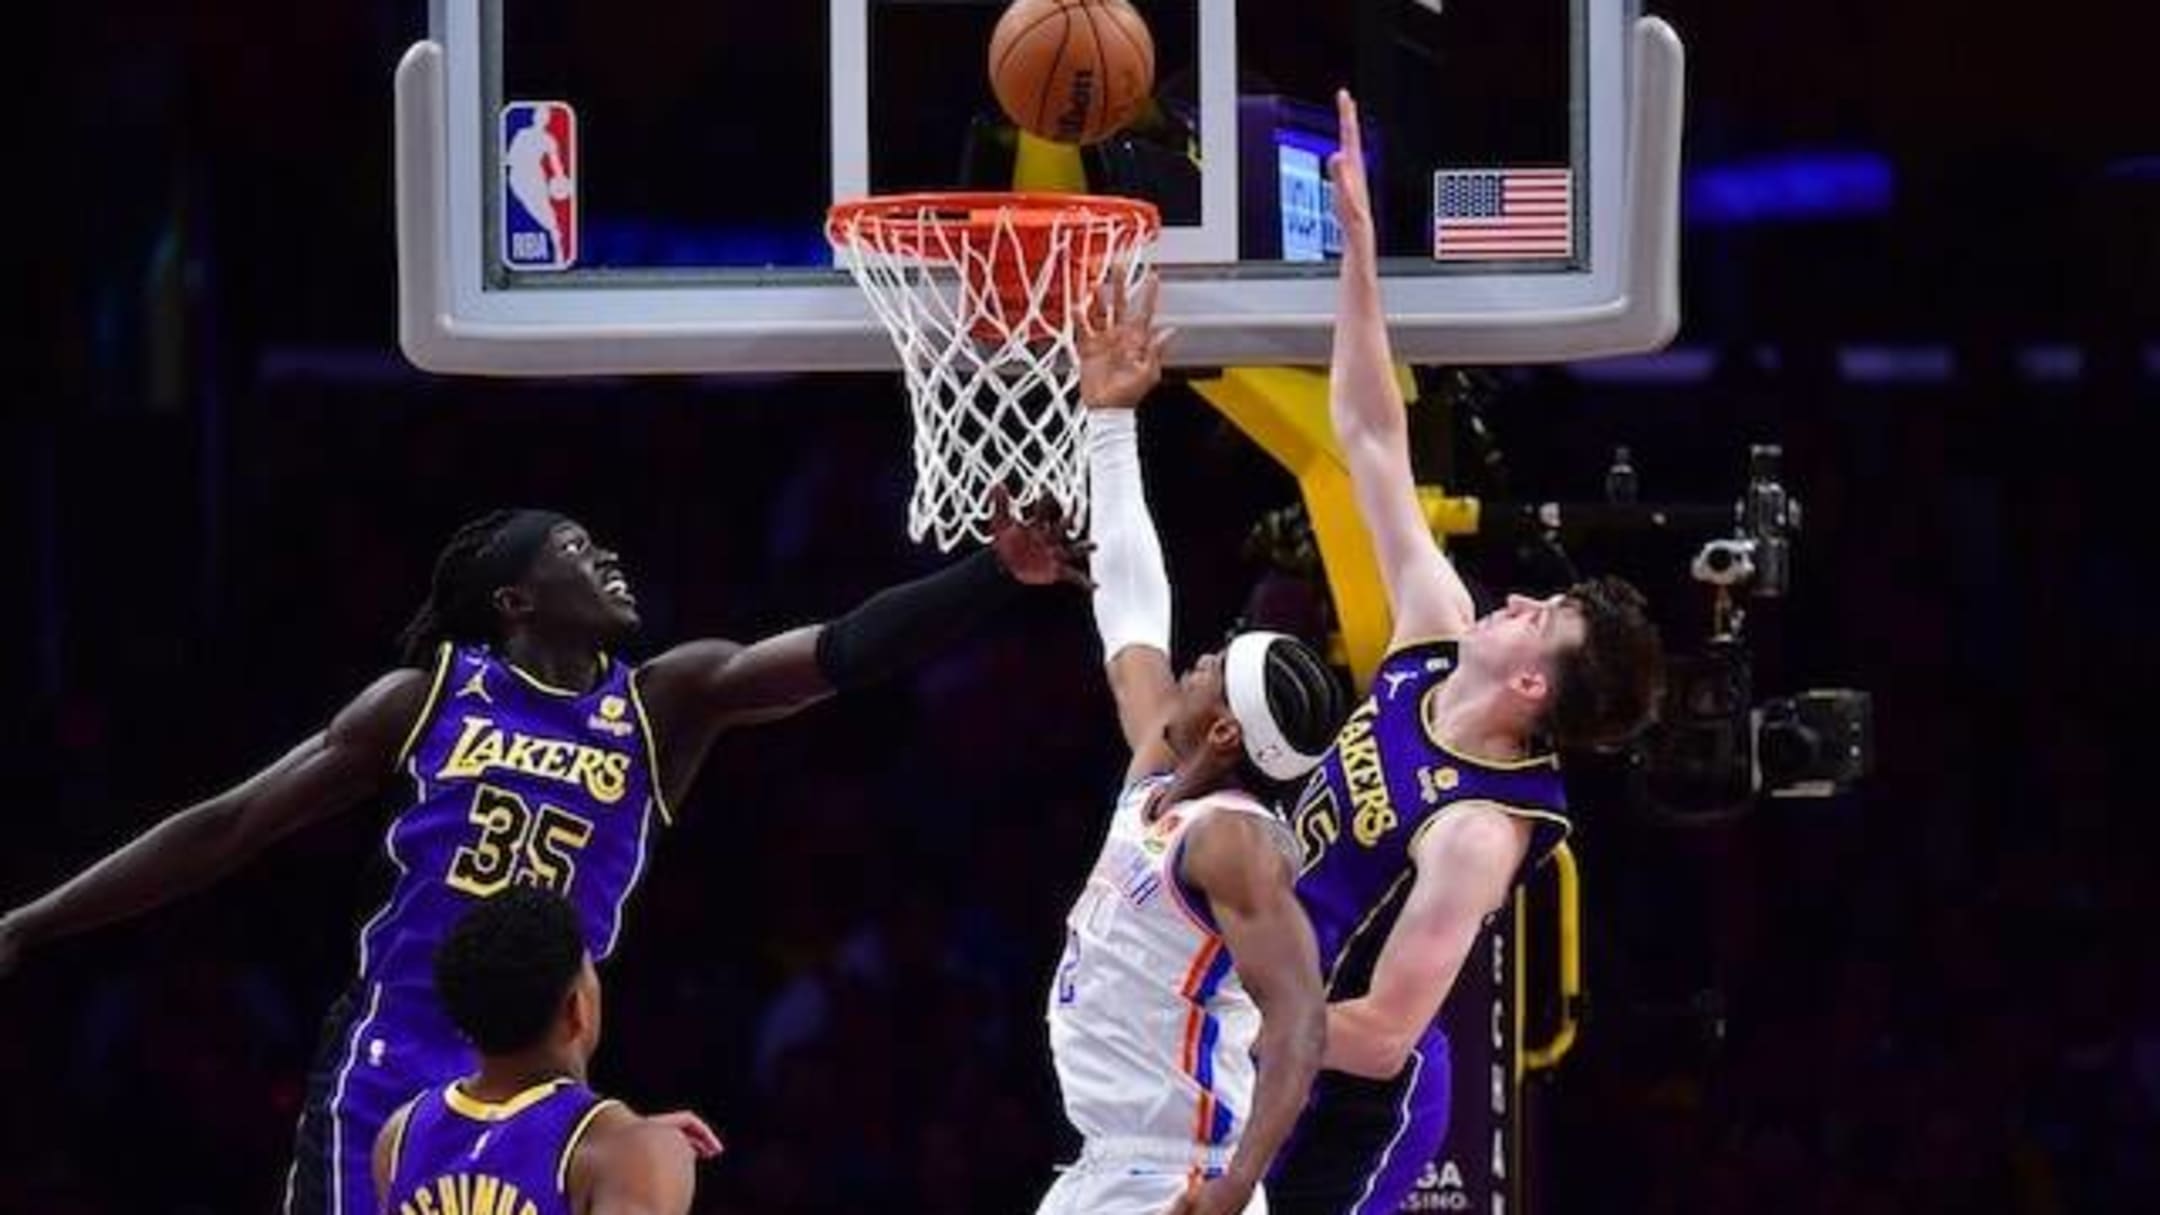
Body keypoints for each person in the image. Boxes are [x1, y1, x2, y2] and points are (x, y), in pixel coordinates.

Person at [0, 504, 1083, 1215]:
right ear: (513, 600)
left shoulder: (665, 702)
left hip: (543, 1075)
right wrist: (28, 923)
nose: (605, 554)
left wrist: (993, 572)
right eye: (572, 549)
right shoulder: (426, 697)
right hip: (394, 1054)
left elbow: (838, 653)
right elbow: (230, 826)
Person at [1263, 92, 1667, 1215]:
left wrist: (1215, 1020)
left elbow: (1388, 1029)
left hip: (1352, 1099)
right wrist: (1357, 251)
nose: (1521, 599)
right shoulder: (1436, 633)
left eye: (1541, 618)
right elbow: (1370, 437)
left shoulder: (1480, 832)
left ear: (1531, 687)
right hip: (1272, 1033)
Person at [1036, 273, 1347, 1215]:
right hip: (1103, 1169)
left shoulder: (1234, 839)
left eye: (1212, 663)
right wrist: (1109, 426)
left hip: (1175, 1176)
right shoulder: (1159, 783)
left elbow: (1299, 1023)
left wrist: (1234, 1184)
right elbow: (1131, 622)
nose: (1193, 662)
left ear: (1224, 728)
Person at [375, 886, 720, 1215]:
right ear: (576, 1009)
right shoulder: (633, 1153)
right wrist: (638, 1152)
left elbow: (499, 1165)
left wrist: (624, 1145)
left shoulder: (399, 1136)